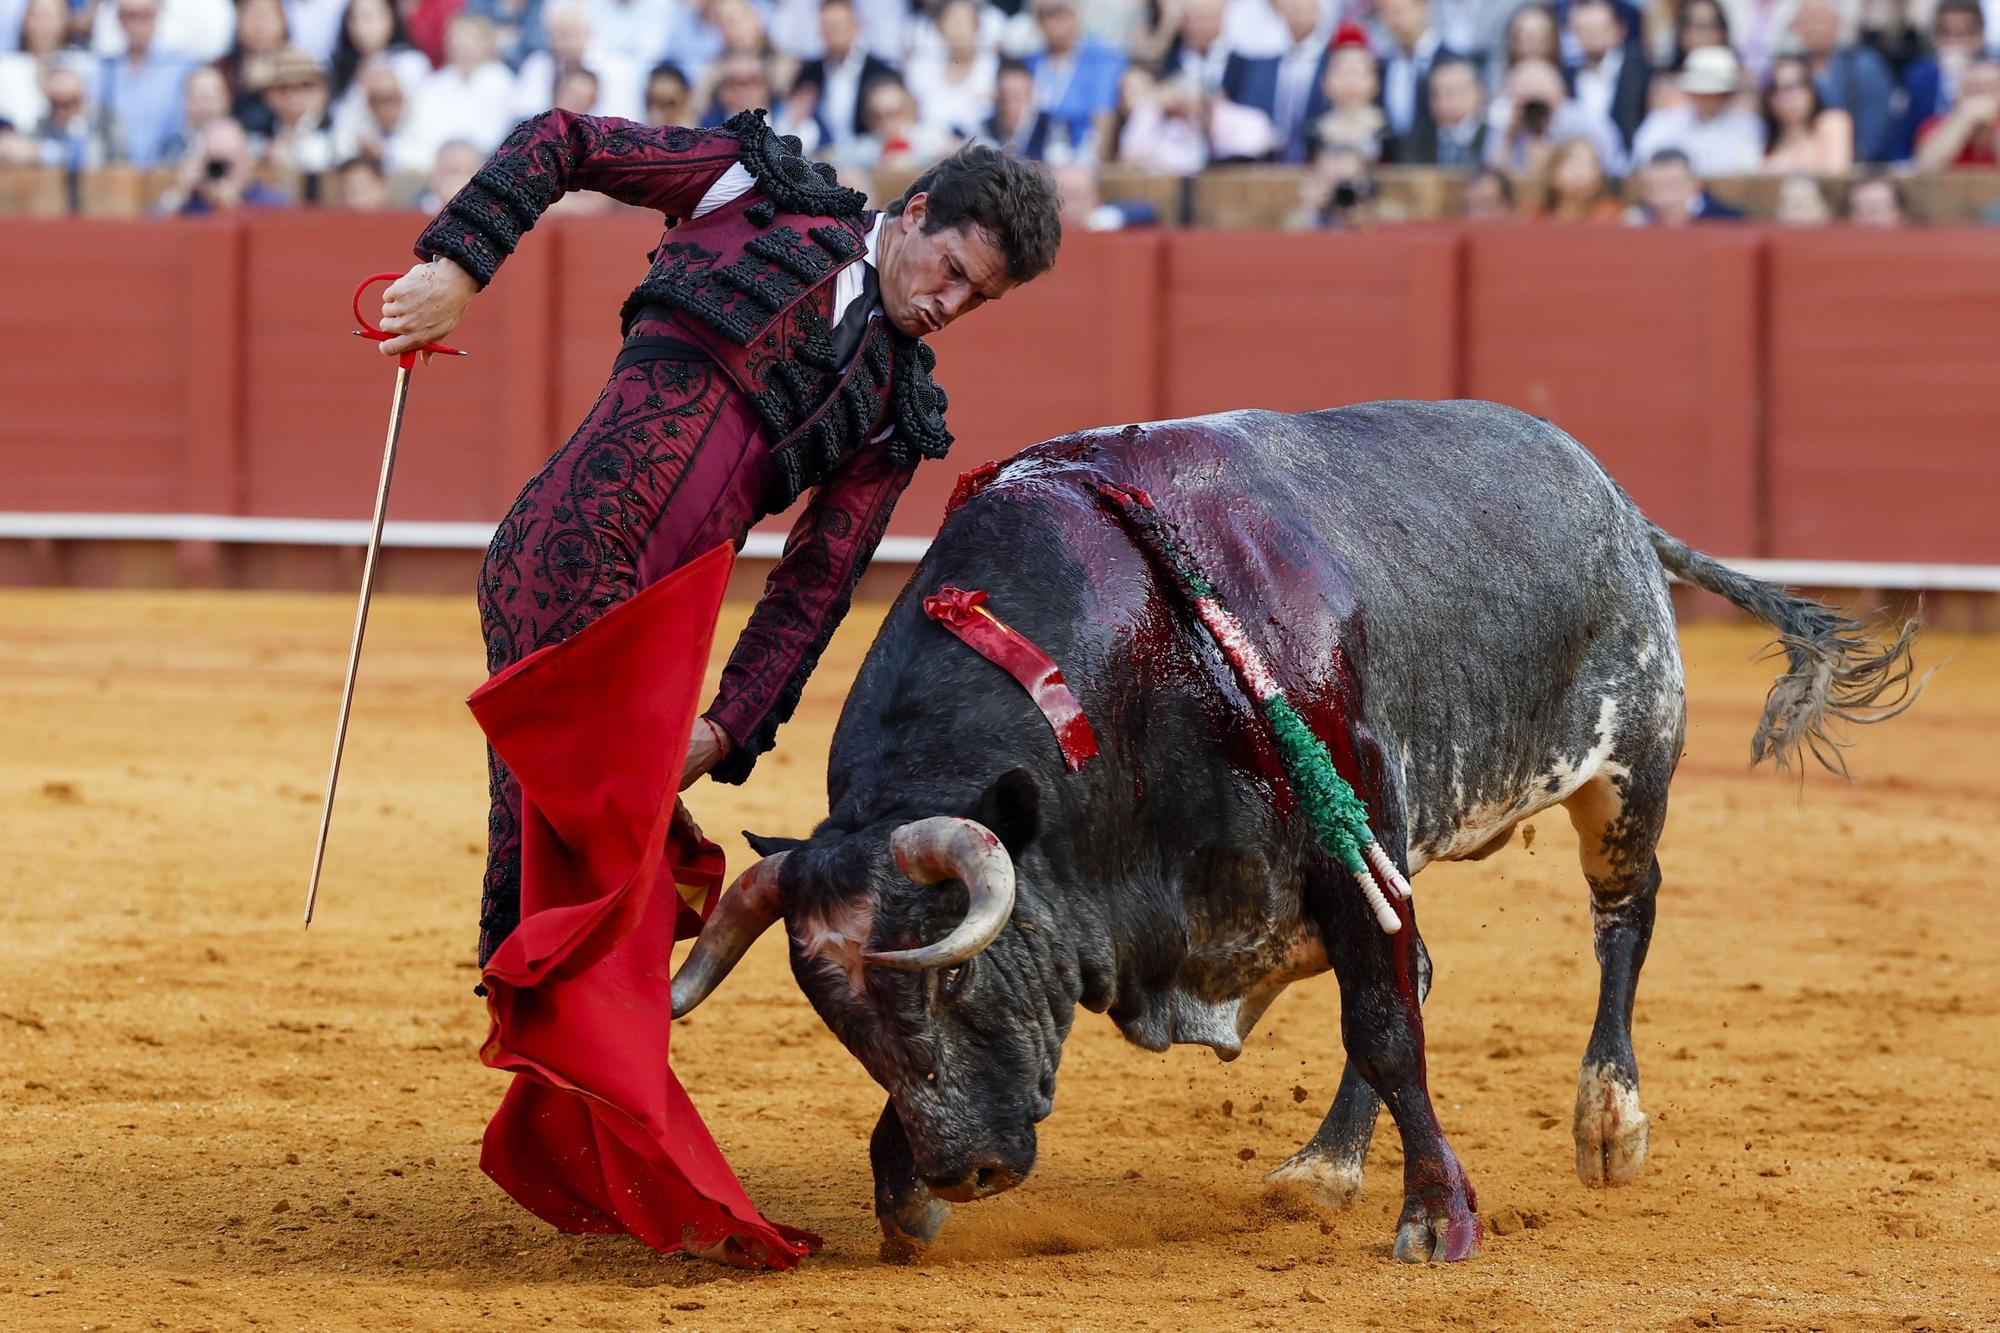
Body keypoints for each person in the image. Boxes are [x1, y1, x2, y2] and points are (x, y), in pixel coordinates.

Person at [1219, 0, 1332, 161]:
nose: (1299, 16)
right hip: (1266, 159)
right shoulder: (1263, 65)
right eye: (1293, 10)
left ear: (1318, 13)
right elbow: (1249, 108)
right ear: (1281, 14)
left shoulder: (1330, 62)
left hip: (1315, 156)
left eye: (1305, 9)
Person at [1630, 44, 1762, 174]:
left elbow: (1748, 168)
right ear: (1689, 92)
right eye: (1700, 92)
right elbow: (1643, 159)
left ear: (1729, 95)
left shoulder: (1747, 125)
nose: (1707, 98)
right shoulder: (1662, 122)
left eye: (1717, 94)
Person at [1789, 0, 1894, 162]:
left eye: (1820, 20)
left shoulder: (1864, 65)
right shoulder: (1791, 70)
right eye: (1807, 20)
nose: (1814, 28)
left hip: (1856, 166)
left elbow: (1875, 129)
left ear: (1837, 24)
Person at [1486, 54, 1625, 172]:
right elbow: (1493, 175)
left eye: (1540, 101)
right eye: (1525, 102)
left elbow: (1613, 167)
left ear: (1561, 95)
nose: (1534, 110)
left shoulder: (1586, 124)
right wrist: (1508, 137)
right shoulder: (1507, 126)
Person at [94, 0, 192, 166]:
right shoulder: (103, 71)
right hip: (118, 175)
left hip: (168, 172)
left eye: (145, 16)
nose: (137, 25)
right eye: (130, 16)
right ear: (119, 20)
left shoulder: (181, 68)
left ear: (157, 16)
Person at [794, 0, 899, 150]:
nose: (833, 33)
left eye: (838, 26)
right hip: (822, 157)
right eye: (827, 27)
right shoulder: (810, 74)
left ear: (856, 26)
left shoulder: (881, 73)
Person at [1025, 0, 1125, 155]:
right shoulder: (1031, 63)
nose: (1052, 23)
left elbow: (1103, 117)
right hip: (1034, 157)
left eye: (1058, 13)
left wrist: (1090, 163)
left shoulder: (1100, 58)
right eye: (1043, 15)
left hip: (1079, 158)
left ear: (1075, 14)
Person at [1897, 0, 1988, 158]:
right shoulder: (1919, 77)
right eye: (1947, 33)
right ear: (1935, 37)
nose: (1955, 42)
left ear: (1980, 36)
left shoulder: (1991, 78)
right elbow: (1902, 140)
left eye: (1964, 34)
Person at [1566, 0, 1648, 152]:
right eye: (1585, 30)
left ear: (1620, 30)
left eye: (1600, 29)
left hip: (1629, 168)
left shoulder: (1642, 72)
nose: (1593, 36)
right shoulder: (1565, 78)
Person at [1762, 52, 1852, 172]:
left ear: (1811, 89)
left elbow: (1835, 175)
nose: (1788, 97)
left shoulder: (1833, 122)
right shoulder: (1764, 141)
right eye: (1777, 89)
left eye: (1794, 86)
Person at [1312, 29, 1394, 160]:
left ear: (1375, 81)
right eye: (1342, 73)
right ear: (1326, 81)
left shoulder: (1389, 133)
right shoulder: (1313, 132)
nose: (1350, 82)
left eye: (1356, 72)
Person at [1397, 51, 1486, 163]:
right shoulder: (1420, 137)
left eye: (1451, 93)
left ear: (1478, 93)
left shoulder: (1493, 136)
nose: (1442, 102)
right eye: (1435, 94)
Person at [1627, 145, 1742, 222]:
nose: (1665, 198)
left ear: (1696, 185)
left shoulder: (1727, 220)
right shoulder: (1638, 219)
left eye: (1673, 187)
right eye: (1655, 189)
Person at [980, 53, 1059, 156]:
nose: (1009, 104)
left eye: (1016, 97)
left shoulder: (1048, 127)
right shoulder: (986, 127)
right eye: (1004, 97)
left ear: (1029, 97)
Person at [1537, 133, 1623, 219]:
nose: (1578, 173)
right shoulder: (1538, 214)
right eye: (1570, 163)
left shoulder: (1610, 215)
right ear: (1553, 171)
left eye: (1585, 164)